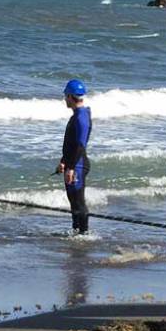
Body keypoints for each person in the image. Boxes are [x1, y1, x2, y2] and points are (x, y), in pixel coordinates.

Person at [55, 78, 92, 234]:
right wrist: (64, 162)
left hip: (78, 165)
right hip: (73, 164)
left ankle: (84, 235)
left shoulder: (81, 117)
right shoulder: (77, 115)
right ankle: (76, 232)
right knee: (73, 202)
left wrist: (71, 168)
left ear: (70, 96)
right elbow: (71, 144)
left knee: (78, 202)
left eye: (66, 96)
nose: (65, 99)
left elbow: (80, 145)